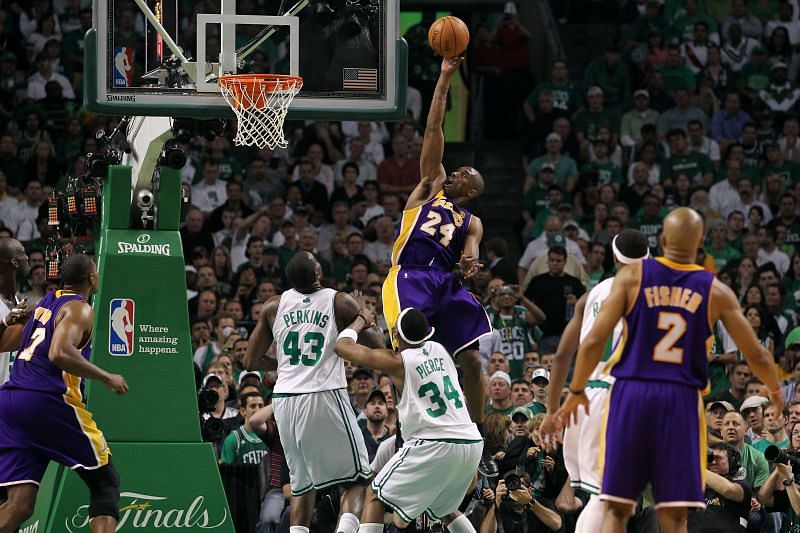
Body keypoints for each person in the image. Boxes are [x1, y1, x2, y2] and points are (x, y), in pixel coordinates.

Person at [557, 207, 783, 533]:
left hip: (631, 394)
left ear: (662, 240)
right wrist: (775, 391)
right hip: (680, 400)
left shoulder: (632, 277)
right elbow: (757, 355)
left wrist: (576, 390)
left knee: (616, 508)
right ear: (701, 243)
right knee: (675, 516)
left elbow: (592, 343)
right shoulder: (714, 289)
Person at [381, 56, 491, 425]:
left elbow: (471, 253)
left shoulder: (472, 221)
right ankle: (408, 425)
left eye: (463, 174)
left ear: (471, 190)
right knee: (410, 357)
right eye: (455, 169)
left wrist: (469, 264)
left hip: (445, 282)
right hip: (409, 278)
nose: (455, 172)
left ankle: (480, 435)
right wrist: (444, 77)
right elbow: (433, 127)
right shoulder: (430, 187)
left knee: (473, 360)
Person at [243, 252, 384, 533]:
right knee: (358, 479)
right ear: (318, 274)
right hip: (323, 393)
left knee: (301, 484)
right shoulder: (338, 299)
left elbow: (249, 361)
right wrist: (363, 315)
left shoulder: (273, 305)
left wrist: (282, 362)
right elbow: (375, 346)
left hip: (284, 401)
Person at [0, 253, 128, 532]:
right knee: (104, 481)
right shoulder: (79, 308)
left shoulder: (44, 304)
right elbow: (59, 352)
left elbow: (3, 343)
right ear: (92, 278)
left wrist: (11, 321)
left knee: (20, 504)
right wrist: (107, 376)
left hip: (10, 401)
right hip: (46, 401)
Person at [540, 229, 650, 533]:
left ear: (614, 256)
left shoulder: (592, 296)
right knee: (607, 496)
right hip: (627, 399)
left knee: (608, 496)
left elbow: (561, 356)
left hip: (586, 399)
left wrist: (552, 411)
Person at [334, 306, 482, 533]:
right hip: (470, 441)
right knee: (442, 507)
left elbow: (342, 347)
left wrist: (359, 322)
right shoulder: (439, 349)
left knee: (374, 494)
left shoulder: (398, 362)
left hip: (433, 442)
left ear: (395, 335)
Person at [0, 238, 35, 384]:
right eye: (23, 253)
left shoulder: (19, 301)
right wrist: (4, 323)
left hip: (14, 395)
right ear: (14, 262)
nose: (27, 258)